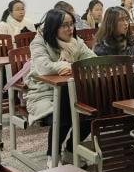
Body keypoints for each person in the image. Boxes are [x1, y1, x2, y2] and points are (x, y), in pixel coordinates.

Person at [25, 8, 96, 157]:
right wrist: (69, 66)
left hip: (73, 92)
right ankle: (53, 155)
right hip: (44, 94)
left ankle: (70, 149)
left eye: (71, 24)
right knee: (64, 115)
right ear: (53, 26)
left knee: (92, 113)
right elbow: (43, 67)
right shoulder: (39, 42)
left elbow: (92, 60)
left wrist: (71, 68)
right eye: (64, 25)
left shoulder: (76, 42)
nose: (70, 29)